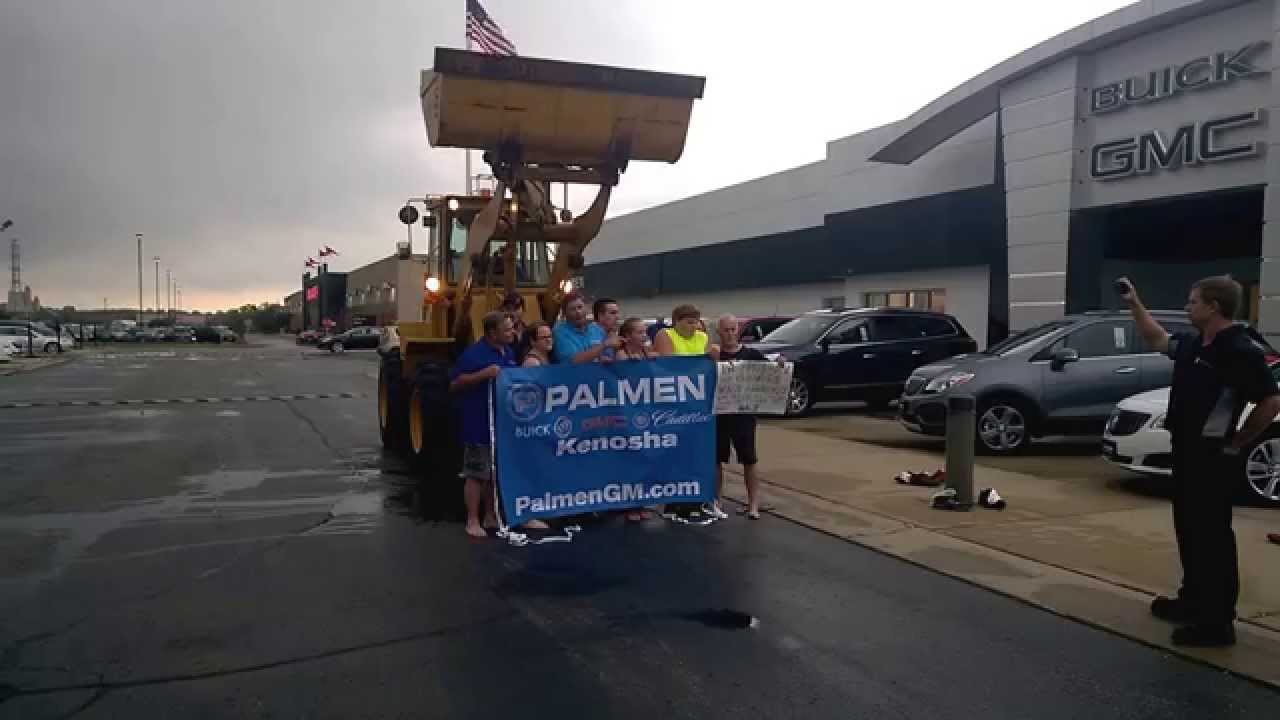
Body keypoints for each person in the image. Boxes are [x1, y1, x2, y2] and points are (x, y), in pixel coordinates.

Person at [1121, 275, 1280, 647]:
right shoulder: (1196, 342)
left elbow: (1270, 402)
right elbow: (1158, 339)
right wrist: (1134, 303)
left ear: (1214, 307)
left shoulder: (1239, 349)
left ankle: (1217, 621)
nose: (1187, 307)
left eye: (1193, 302)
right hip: (1186, 450)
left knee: (1212, 538)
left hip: (1213, 455)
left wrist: (1237, 443)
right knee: (1189, 530)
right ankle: (1192, 600)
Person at [450, 311, 548, 537]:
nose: (513, 332)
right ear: (492, 333)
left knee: (496, 472)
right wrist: (483, 375)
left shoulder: (509, 352)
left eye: (513, 328)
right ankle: (472, 520)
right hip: (479, 422)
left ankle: (491, 515)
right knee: (476, 473)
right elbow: (455, 384)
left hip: (503, 422)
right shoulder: (474, 354)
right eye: (507, 329)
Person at [655, 304, 722, 521]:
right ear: (677, 321)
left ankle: (697, 499)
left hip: (698, 406)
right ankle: (673, 503)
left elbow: (710, 368)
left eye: (696, 322)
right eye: (689, 322)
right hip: (673, 405)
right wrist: (701, 361)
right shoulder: (666, 335)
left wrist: (711, 357)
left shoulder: (702, 337)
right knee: (676, 453)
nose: (693, 326)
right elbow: (669, 366)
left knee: (696, 454)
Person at [714, 314, 777, 520]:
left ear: (738, 331)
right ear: (719, 332)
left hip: (744, 415)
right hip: (719, 415)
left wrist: (782, 364)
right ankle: (717, 501)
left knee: (749, 460)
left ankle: (753, 504)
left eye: (733, 329)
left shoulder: (751, 354)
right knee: (716, 460)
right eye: (726, 330)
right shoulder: (713, 355)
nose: (730, 334)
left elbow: (772, 372)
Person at [552, 292, 620, 364]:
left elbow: (598, 355)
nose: (578, 312)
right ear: (565, 313)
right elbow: (574, 361)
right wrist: (605, 345)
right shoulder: (559, 333)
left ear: (586, 308)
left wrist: (603, 359)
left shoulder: (594, 329)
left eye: (580, 307)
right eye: (572, 309)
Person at [500, 291, 528, 360]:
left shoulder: (528, 330)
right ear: (503, 310)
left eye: (516, 308)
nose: (512, 313)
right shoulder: (500, 334)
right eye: (508, 309)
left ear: (523, 310)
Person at [593, 297, 621, 362]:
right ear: (600, 315)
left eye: (617, 313)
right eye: (613, 313)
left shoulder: (612, 332)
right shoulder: (592, 331)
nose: (618, 317)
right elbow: (596, 358)